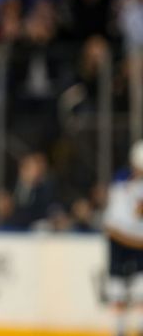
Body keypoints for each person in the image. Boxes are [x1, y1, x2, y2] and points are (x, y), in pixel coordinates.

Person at [103, 140, 143, 336]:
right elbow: (112, 226)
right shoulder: (121, 184)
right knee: (117, 291)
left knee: (141, 290)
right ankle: (119, 331)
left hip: (136, 243)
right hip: (122, 244)